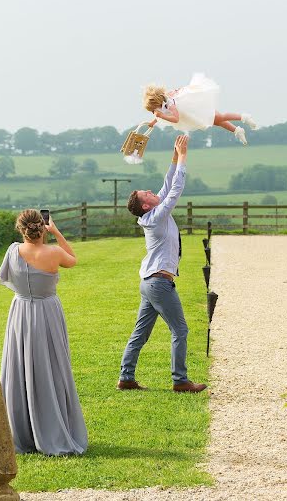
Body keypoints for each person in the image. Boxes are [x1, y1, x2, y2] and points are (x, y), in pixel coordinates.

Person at [117, 135, 207, 393]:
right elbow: (175, 190)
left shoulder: (153, 212)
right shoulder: (157, 217)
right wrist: (185, 159)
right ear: (146, 204)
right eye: (147, 193)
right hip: (158, 283)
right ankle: (180, 381)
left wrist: (176, 155)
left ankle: (126, 378)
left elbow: (168, 185)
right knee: (180, 330)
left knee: (140, 334)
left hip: (149, 283)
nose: (152, 191)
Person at [0, 209, 87, 455]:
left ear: (21, 228)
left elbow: (7, 278)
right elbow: (72, 259)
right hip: (47, 313)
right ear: (42, 227)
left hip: (20, 313)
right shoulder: (54, 253)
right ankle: (52, 427)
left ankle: (21, 432)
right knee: (52, 367)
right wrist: (56, 232)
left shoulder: (13, 251)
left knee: (19, 367)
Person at [144, 73, 257, 145]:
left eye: (153, 109)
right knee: (216, 121)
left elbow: (176, 119)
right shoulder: (159, 107)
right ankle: (237, 131)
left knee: (219, 117)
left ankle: (244, 117)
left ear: (157, 103)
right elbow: (159, 115)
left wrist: (162, 116)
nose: (154, 112)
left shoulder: (170, 104)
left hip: (192, 108)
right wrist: (153, 122)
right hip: (188, 113)